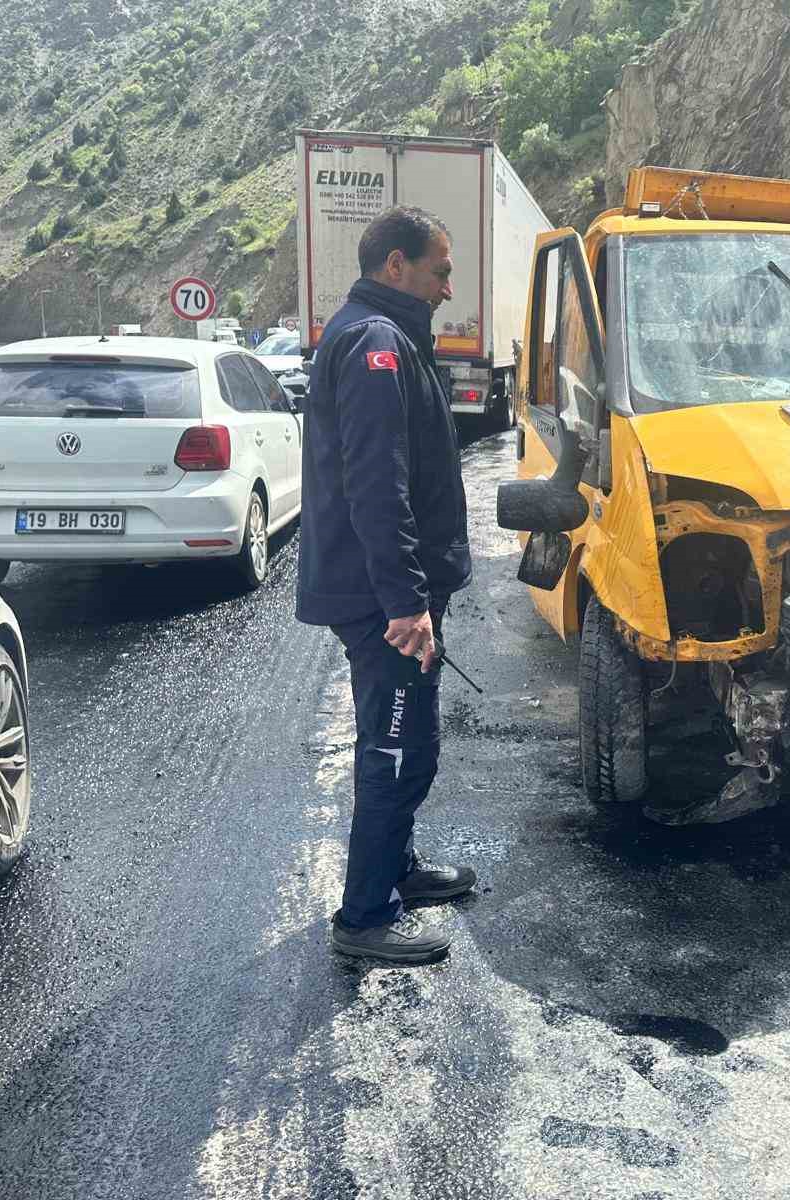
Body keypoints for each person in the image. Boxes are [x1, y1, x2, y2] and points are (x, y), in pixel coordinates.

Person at [296, 206, 475, 965]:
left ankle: (395, 871)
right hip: (383, 600)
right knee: (395, 748)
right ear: (394, 265)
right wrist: (406, 604)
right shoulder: (375, 341)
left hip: (389, 592)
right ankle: (365, 916)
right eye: (438, 268)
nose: (447, 284)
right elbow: (377, 485)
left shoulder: (385, 334)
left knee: (413, 742)